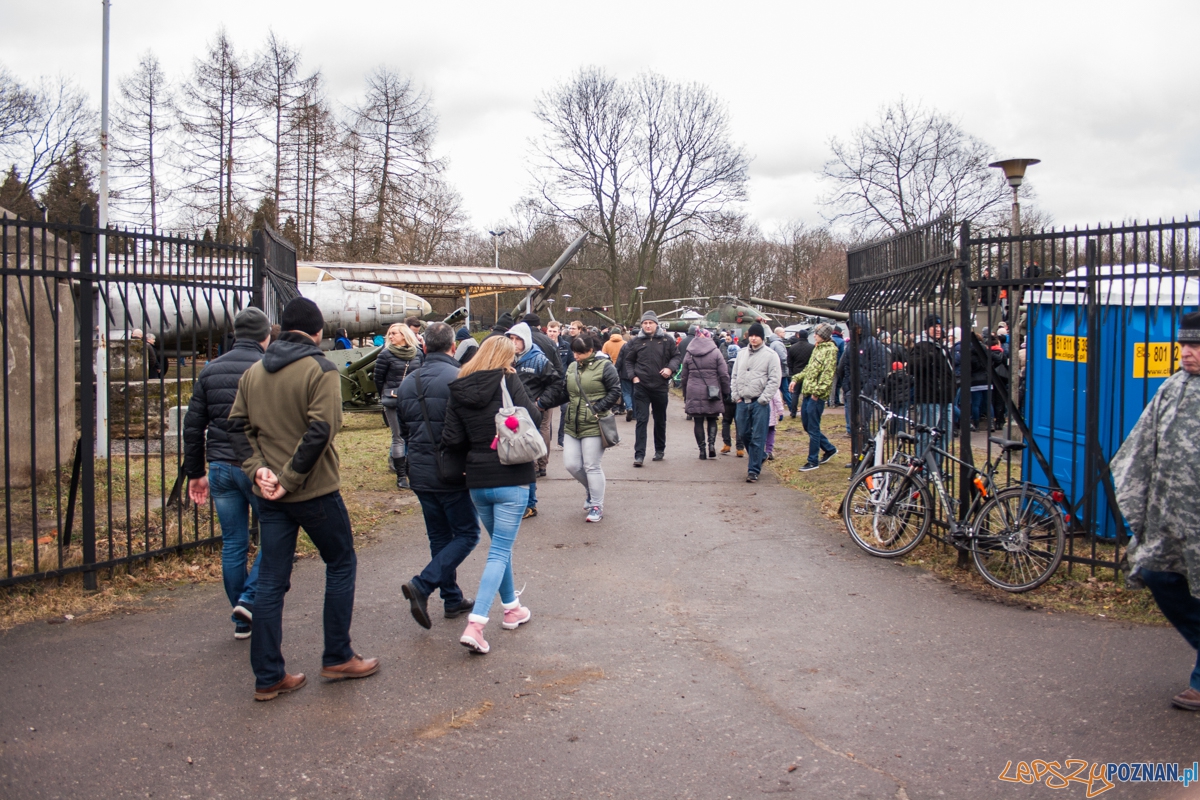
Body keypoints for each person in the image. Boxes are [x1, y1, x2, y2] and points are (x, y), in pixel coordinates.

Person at [229, 296, 378, 701]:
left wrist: (259, 470)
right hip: (313, 491)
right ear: (317, 332)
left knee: (272, 581)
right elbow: (322, 430)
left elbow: (237, 429)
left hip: (271, 494)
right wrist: (290, 478)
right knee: (342, 562)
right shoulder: (321, 369)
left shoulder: (253, 373)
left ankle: (268, 676)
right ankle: (337, 654)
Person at [1110, 310, 1200, 711]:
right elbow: (1139, 449)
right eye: (1184, 345)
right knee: (1157, 575)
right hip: (1170, 518)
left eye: (1196, 346)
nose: (1188, 353)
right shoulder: (1171, 388)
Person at [441, 336, 541, 655]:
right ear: (506, 357)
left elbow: (452, 438)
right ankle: (477, 624)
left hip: (478, 481)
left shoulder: (459, 385)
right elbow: (533, 419)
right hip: (511, 477)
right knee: (499, 551)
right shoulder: (508, 379)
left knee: (501, 546)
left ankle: (512, 608)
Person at [183, 307, 270, 640]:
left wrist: (195, 472)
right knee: (273, 537)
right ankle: (249, 600)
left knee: (233, 543)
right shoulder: (265, 369)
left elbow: (194, 426)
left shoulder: (211, 370)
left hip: (219, 467)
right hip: (257, 466)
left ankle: (241, 617)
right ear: (265, 336)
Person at [395, 322, 478, 628]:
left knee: (440, 537)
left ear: (425, 347)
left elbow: (403, 429)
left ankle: (452, 598)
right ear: (453, 347)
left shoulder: (407, 383)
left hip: (419, 470)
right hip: (452, 471)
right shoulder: (460, 379)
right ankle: (423, 583)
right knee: (468, 533)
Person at [507, 322, 566, 514]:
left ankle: (529, 503)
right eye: (511, 339)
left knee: (527, 459)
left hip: (530, 415)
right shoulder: (506, 359)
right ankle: (517, 499)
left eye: (518, 339)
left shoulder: (538, 360)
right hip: (509, 416)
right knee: (512, 458)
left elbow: (557, 382)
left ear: (526, 340)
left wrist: (541, 404)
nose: (514, 343)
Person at [562, 335, 621, 522]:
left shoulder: (605, 367)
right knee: (571, 464)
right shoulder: (572, 367)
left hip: (595, 422)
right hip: (573, 422)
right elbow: (565, 391)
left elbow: (615, 391)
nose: (575, 356)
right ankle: (591, 490)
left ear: (590, 351)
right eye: (574, 352)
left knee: (591, 465)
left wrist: (598, 407)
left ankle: (597, 505)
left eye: (579, 353)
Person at [623, 310, 681, 467]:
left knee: (660, 419)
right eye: (645, 323)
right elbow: (628, 361)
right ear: (642, 325)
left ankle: (660, 449)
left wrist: (670, 369)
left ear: (656, 324)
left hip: (660, 386)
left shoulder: (666, 340)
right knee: (641, 420)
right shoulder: (636, 342)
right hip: (641, 386)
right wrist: (633, 377)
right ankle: (639, 455)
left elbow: (677, 356)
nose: (648, 326)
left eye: (650, 323)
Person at [730, 322, 781, 482]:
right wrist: (735, 395)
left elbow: (774, 379)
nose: (753, 338)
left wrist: (764, 398)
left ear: (762, 337)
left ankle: (753, 470)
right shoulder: (741, 354)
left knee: (759, 436)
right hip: (742, 401)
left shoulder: (771, 355)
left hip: (760, 402)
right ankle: (761, 456)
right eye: (751, 335)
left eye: (756, 336)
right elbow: (734, 376)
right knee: (743, 432)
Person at [791, 323, 839, 472]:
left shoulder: (830, 351)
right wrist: (796, 378)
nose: (814, 335)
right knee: (807, 425)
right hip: (808, 392)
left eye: (817, 333)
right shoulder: (817, 348)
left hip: (816, 396)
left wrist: (817, 393)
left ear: (823, 335)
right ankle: (829, 448)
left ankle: (813, 460)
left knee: (813, 427)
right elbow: (809, 368)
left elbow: (827, 374)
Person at [908, 314, 956, 455]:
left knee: (945, 434)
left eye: (940, 326)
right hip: (929, 398)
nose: (938, 329)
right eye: (934, 326)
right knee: (926, 434)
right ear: (926, 328)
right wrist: (928, 357)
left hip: (945, 397)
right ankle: (922, 469)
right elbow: (911, 368)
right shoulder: (920, 346)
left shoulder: (942, 347)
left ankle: (936, 469)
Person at [679, 328, 730, 460]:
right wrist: (726, 391)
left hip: (693, 389)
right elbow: (724, 374)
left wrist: (685, 393)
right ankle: (711, 445)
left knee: (698, 421)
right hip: (712, 390)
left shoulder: (689, 354)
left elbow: (684, 376)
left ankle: (702, 450)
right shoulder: (716, 352)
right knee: (712, 419)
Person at [547, 321, 573, 446]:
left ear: (559, 332)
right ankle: (548, 437)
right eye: (550, 331)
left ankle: (561, 438)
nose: (552, 334)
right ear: (547, 331)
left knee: (565, 409)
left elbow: (571, 363)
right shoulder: (543, 344)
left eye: (554, 331)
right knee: (547, 410)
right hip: (548, 383)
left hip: (563, 382)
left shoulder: (566, 346)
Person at [720, 343, 744, 456]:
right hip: (739, 398)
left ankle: (727, 444)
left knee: (726, 422)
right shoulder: (742, 366)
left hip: (727, 399)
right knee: (739, 423)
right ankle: (740, 448)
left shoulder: (724, 366)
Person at [785, 329, 814, 418]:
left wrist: (792, 371)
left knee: (795, 393)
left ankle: (793, 412)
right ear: (807, 336)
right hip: (808, 372)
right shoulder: (812, 347)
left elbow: (789, 361)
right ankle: (806, 412)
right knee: (807, 393)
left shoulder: (793, 347)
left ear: (798, 336)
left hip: (796, 371)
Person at [765, 388, 784, 461]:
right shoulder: (774, 388)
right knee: (770, 432)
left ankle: (760, 451)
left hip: (759, 415)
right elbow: (777, 400)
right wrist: (781, 412)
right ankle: (768, 451)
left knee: (760, 433)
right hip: (771, 414)